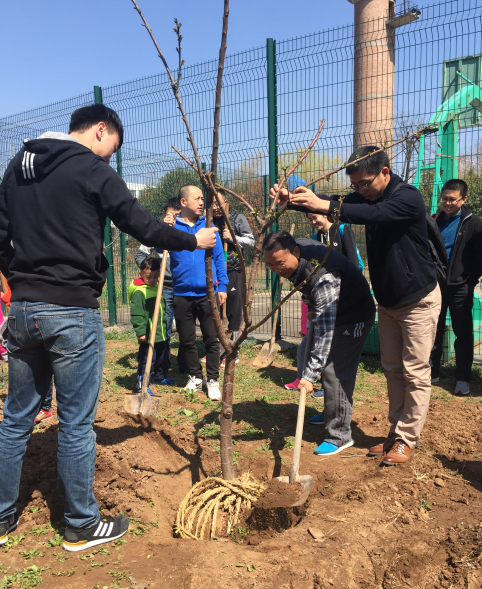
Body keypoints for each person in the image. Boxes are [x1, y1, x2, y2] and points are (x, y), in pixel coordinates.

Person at [0, 104, 218, 551]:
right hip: (70, 311)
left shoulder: (17, 167)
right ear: (101, 130)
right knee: (76, 423)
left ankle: (1, 516)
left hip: (22, 310)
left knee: (14, 419)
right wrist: (191, 240)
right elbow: (141, 224)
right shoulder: (90, 169)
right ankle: (81, 524)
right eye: (111, 149)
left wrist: (20, 278)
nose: (109, 159)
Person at [272, 147, 442, 465]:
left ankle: (406, 439)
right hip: (389, 302)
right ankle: (394, 434)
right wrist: (293, 200)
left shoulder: (407, 198)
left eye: (365, 183)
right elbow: (342, 203)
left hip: (418, 300)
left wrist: (327, 204)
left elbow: (368, 214)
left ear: (385, 173)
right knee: (392, 370)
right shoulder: (367, 197)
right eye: (356, 186)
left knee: (415, 373)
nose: (361, 190)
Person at [263, 231, 376, 456]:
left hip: (354, 316)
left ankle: (340, 435)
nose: (277, 270)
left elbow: (325, 333)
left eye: (280, 264)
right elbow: (305, 287)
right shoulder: (297, 252)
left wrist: (309, 377)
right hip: (335, 310)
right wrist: (311, 305)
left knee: (335, 372)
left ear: (295, 252)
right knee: (315, 357)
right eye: (270, 266)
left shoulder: (323, 275)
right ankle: (332, 411)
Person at [285, 212, 364, 393]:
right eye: (310, 219)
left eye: (316, 217)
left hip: (344, 294)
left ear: (327, 215)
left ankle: (328, 387)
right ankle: (308, 379)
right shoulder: (316, 238)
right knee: (315, 341)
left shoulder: (343, 230)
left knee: (333, 343)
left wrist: (342, 288)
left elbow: (354, 263)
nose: (313, 222)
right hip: (322, 295)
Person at [167, 185, 229, 401]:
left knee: (212, 339)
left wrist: (222, 287)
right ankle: (195, 376)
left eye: (203, 198)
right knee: (187, 340)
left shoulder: (210, 227)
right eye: (198, 199)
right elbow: (157, 248)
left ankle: (212, 379)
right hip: (182, 293)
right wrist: (164, 227)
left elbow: (219, 259)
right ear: (183, 202)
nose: (202, 202)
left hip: (207, 294)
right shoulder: (173, 227)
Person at [430, 179, 482, 395]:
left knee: (462, 332)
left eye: (452, 199)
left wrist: (469, 280)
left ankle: (463, 377)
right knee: (434, 329)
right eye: (444, 199)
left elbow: (479, 256)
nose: (447, 203)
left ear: (464, 199)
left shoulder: (474, 223)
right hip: (436, 285)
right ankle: (432, 372)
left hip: (461, 286)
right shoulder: (434, 220)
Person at [135, 198, 188, 375]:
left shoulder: (186, 231)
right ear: (164, 214)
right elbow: (140, 254)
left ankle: (184, 365)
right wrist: (152, 271)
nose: (172, 218)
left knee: (185, 327)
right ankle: (161, 367)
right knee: (162, 328)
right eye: (169, 214)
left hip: (183, 287)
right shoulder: (157, 232)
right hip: (163, 288)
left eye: (177, 214)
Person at [212, 189, 254, 365]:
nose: (214, 207)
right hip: (214, 271)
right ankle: (216, 348)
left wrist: (233, 238)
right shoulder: (208, 220)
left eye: (217, 203)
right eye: (212, 203)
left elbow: (251, 241)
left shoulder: (237, 218)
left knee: (234, 310)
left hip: (233, 269)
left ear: (226, 201)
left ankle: (233, 350)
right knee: (214, 308)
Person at [129, 255, 173, 392]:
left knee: (162, 357)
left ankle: (160, 376)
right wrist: (141, 332)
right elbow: (137, 314)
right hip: (148, 334)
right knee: (147, 359)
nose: (153, 280)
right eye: (149, 277)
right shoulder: (140, 292)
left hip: (161, 333)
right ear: (141, 274)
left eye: (156, 277)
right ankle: (142, 383)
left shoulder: (157, 288)